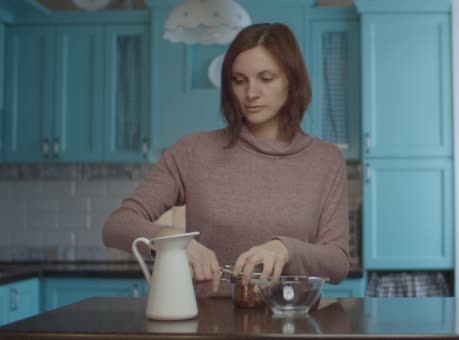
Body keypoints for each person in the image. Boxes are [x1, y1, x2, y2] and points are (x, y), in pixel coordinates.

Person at [102, 23, 350, 298]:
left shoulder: (326, 160)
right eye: (239, 80)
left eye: (266, 78)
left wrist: (286, 249)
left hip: (292, 323)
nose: (251, 93)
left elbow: (338, 261)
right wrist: (172, 242)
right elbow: (117, 225)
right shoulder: (192, 151)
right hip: (207, 323)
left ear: (292, 81)